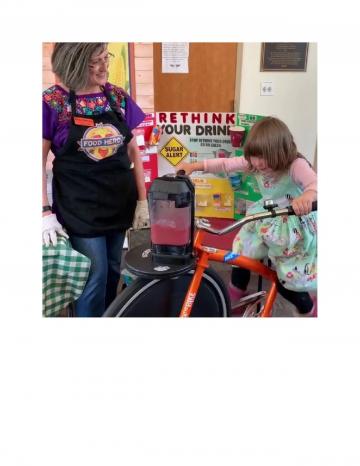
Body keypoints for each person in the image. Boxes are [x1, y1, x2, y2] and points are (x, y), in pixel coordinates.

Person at [42, 43, 149, 317]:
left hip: (118, 202)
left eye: (105, 58)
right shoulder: (53, 102)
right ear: (73, 63)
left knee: (114, 267)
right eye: (94, 62)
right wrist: (44, 212)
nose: (104, 67)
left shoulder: (115, 96)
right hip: (80, 208)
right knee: (94, 273)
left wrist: (142, 200)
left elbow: (133, 150)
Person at [178, 116, 317, 317]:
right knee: (241, 252)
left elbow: (315, 183)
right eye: (254, 156)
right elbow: (226, 164)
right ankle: (236, 294)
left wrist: (307, 196)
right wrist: (196, 166)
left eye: (264, 157)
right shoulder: (255, 162)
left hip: (292, 224)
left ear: (281, 152)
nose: (258, 163)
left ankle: (309, 307)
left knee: (287, 278)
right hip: (266, 216)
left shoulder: (295, 165)